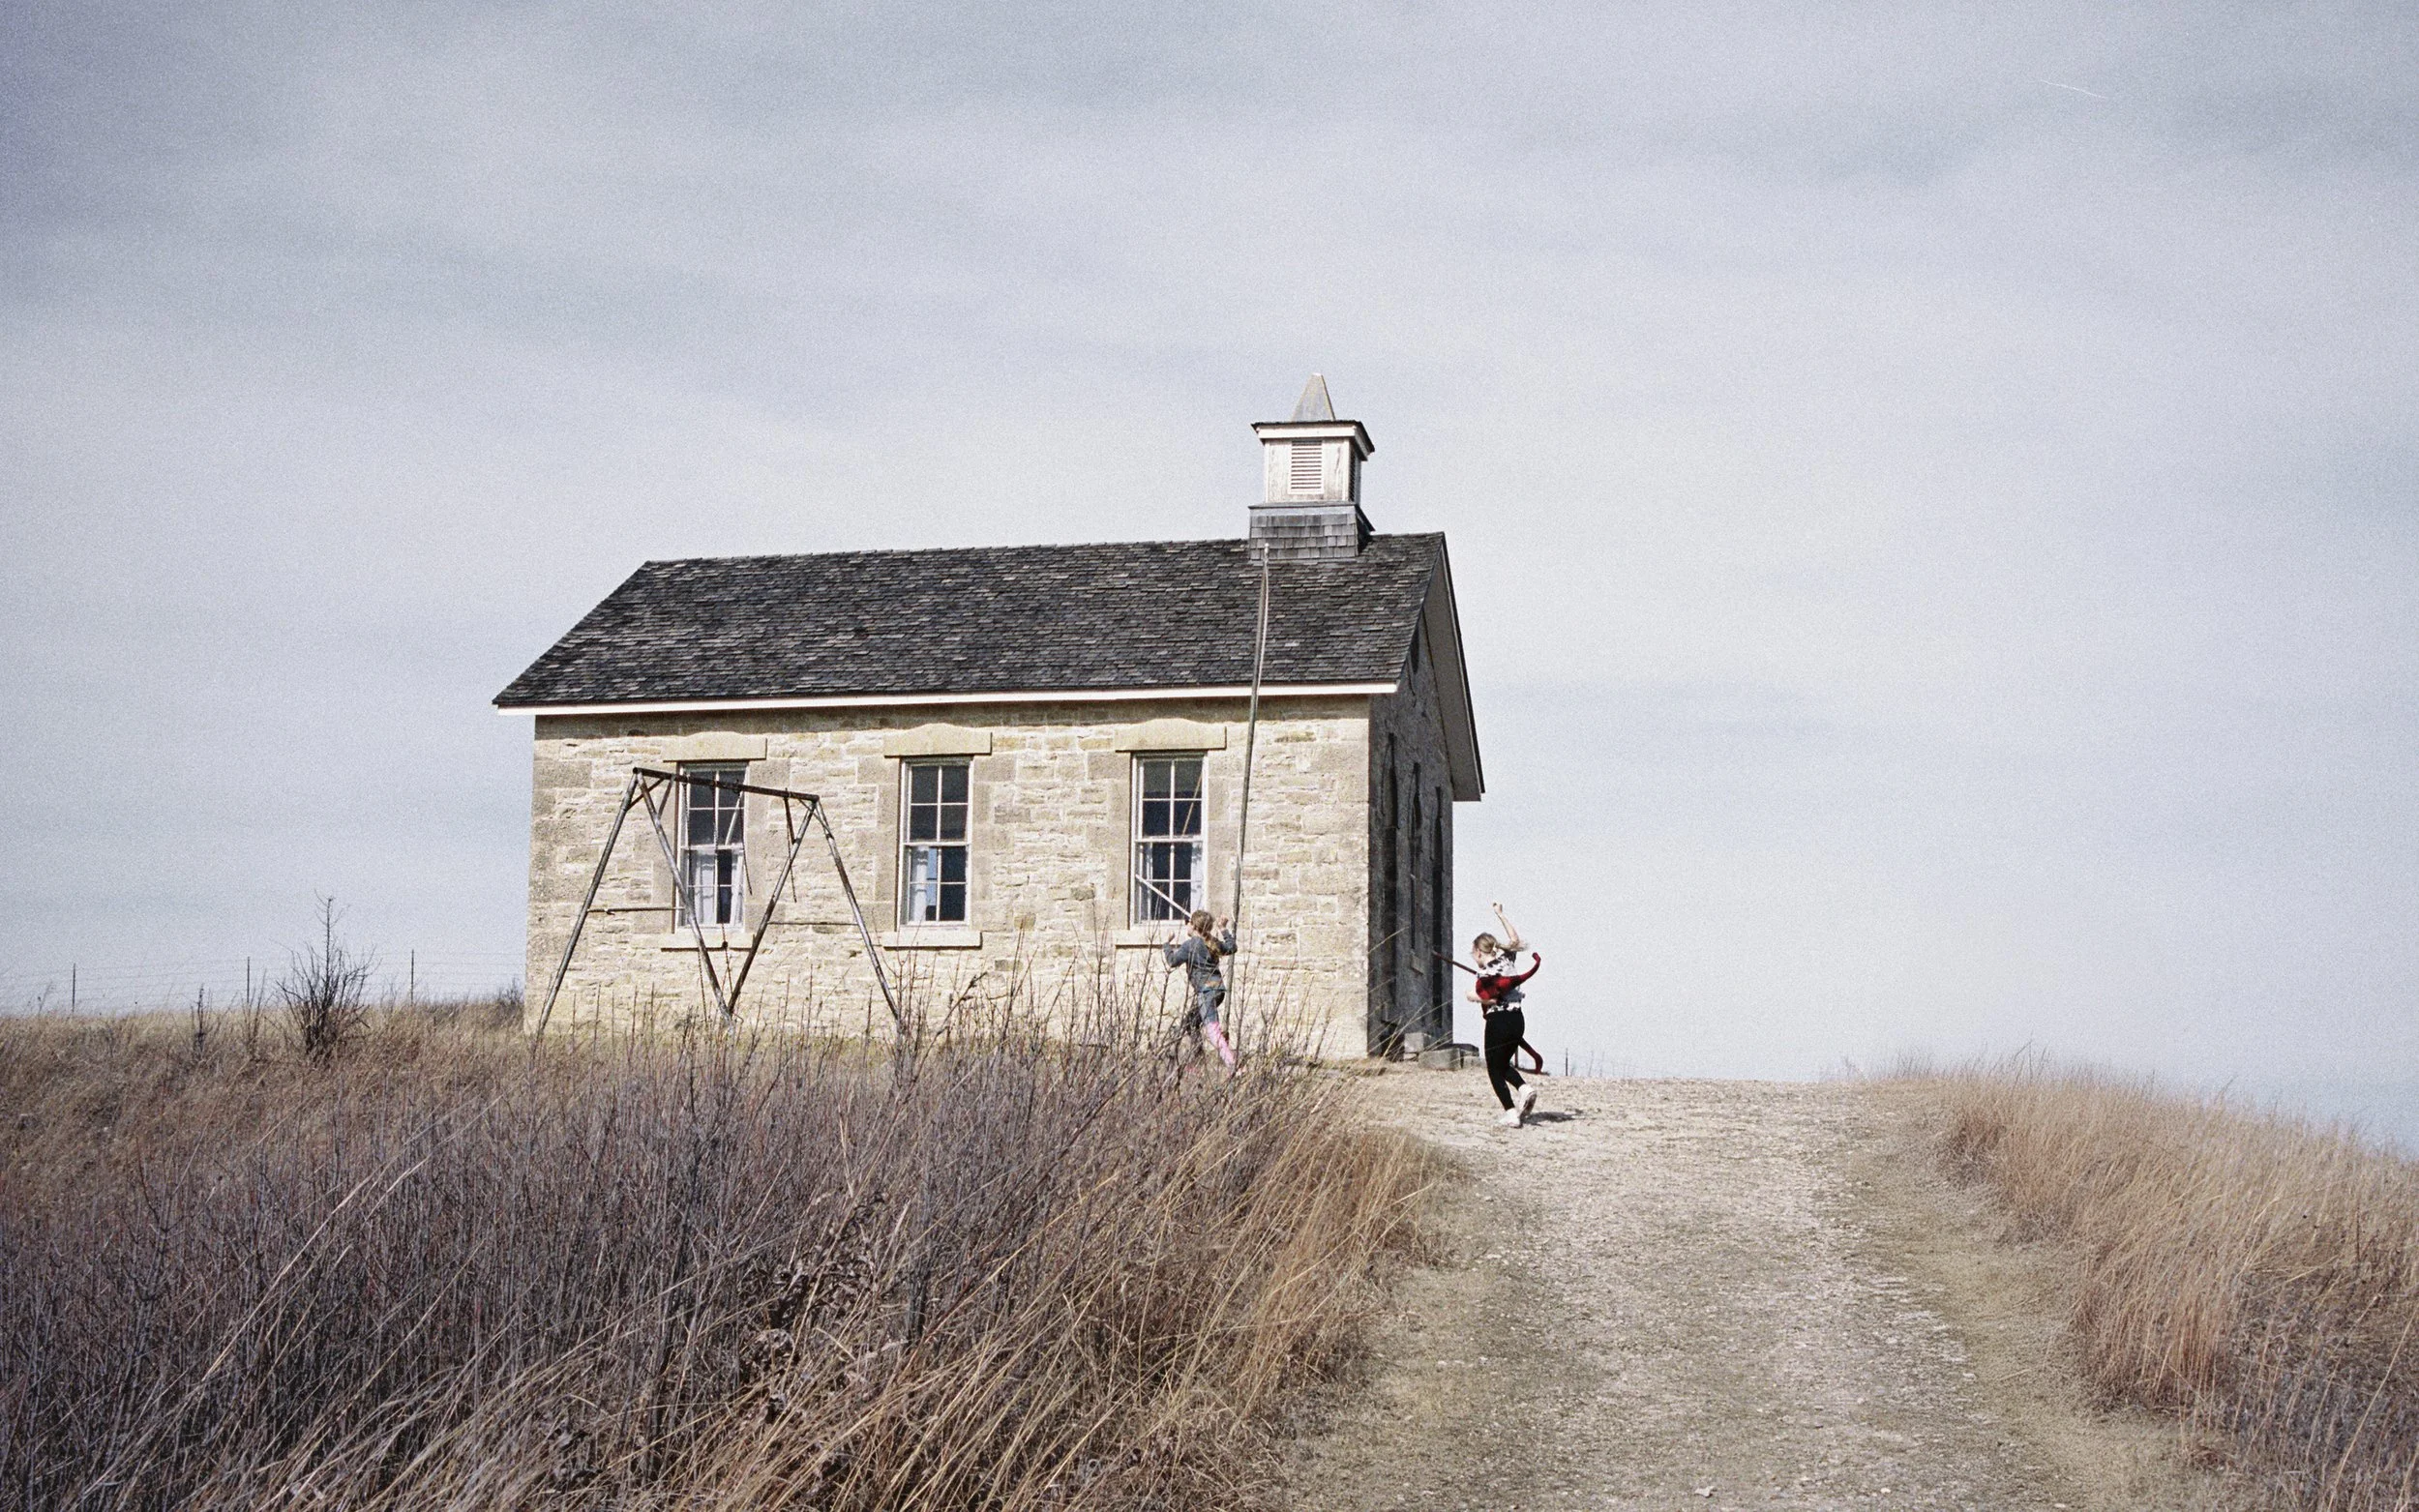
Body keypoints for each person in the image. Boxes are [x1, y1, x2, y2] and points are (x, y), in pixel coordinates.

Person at [1469, 903, 1541, 1126]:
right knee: (1502, 1063)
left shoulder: (1486, 975)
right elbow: (1515, 941)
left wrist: (1472, 997)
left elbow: (1491, 999)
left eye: (1473, 954)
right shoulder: (1506, 960)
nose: (1473, 957)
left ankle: (1510, 1113)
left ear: (1479, 952)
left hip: (1498, 1021)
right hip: (1517, 1020)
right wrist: (1500, 915)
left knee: (1493, 1067)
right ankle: (1524, 1088)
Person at [1163, 909, 1239, 1071]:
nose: (1187, 926)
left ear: (1194, 926)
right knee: (1191, 1023)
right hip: (1218, 990)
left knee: (1212, 1029)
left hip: (1206, 992)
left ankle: (1233, 1066)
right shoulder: (1211, 942)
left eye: (1188, 923)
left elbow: (1172, 961)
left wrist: (1166, 943)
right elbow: (1231, 947)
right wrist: (1224, 929)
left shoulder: (1189, 946)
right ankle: (1196, 1063)